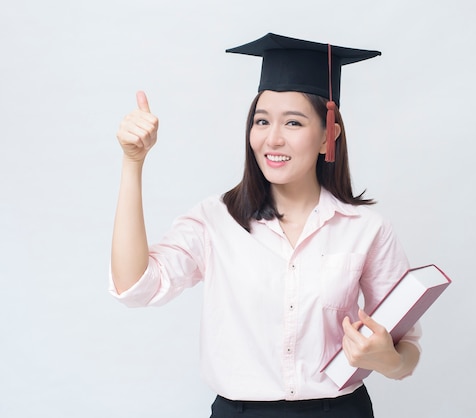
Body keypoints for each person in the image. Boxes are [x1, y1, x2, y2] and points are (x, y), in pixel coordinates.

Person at [110, 33, 422, 418]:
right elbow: (134, 287)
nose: (272, 139)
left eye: (293, 122)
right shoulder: (216, 220)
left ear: (329, 135)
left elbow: (406, 348)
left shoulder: (366, 229)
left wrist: (386, 359)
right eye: (262, 121)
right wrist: (133, 163)